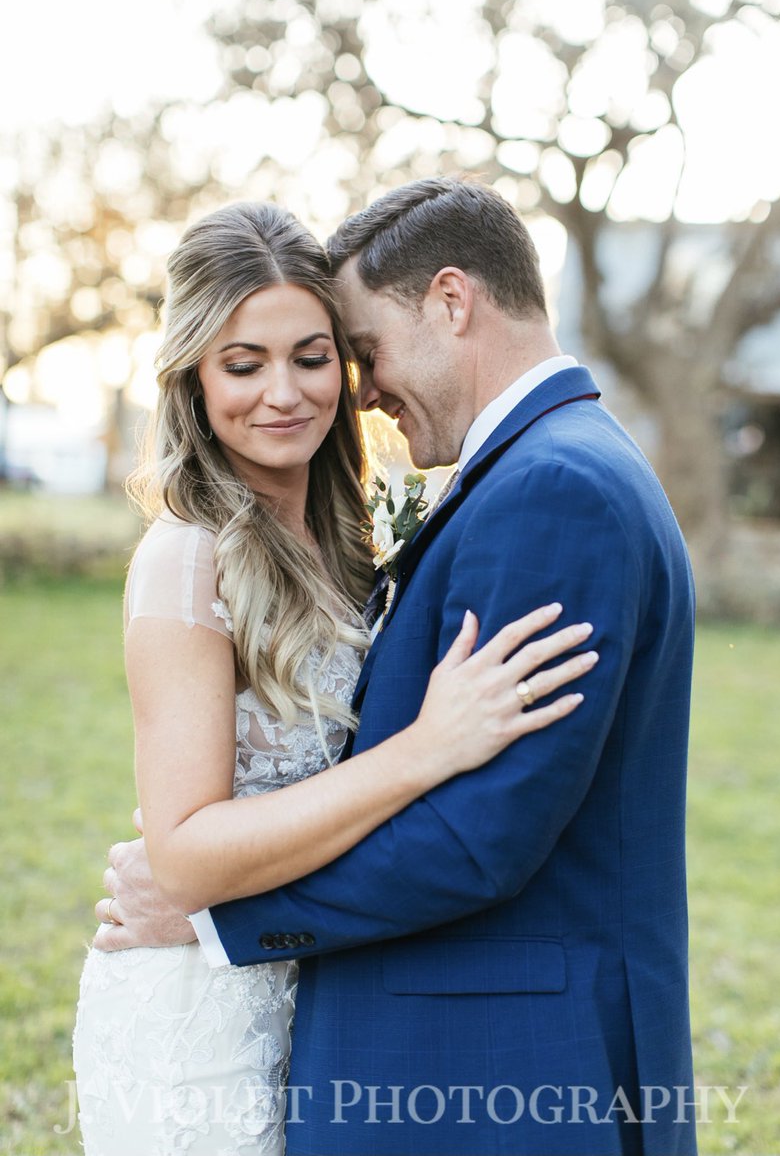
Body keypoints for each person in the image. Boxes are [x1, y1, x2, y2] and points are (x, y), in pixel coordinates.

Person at [96, 179, 697, 1155]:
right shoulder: (547, 467)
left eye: (343, 354)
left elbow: (480, 838)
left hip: (488, 1048)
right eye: (243, 364)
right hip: (241, 1024)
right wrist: (420, 750)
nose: (355, 390)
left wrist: (218, 918)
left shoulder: (551, 485)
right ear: (194, 376)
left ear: (451, 301)